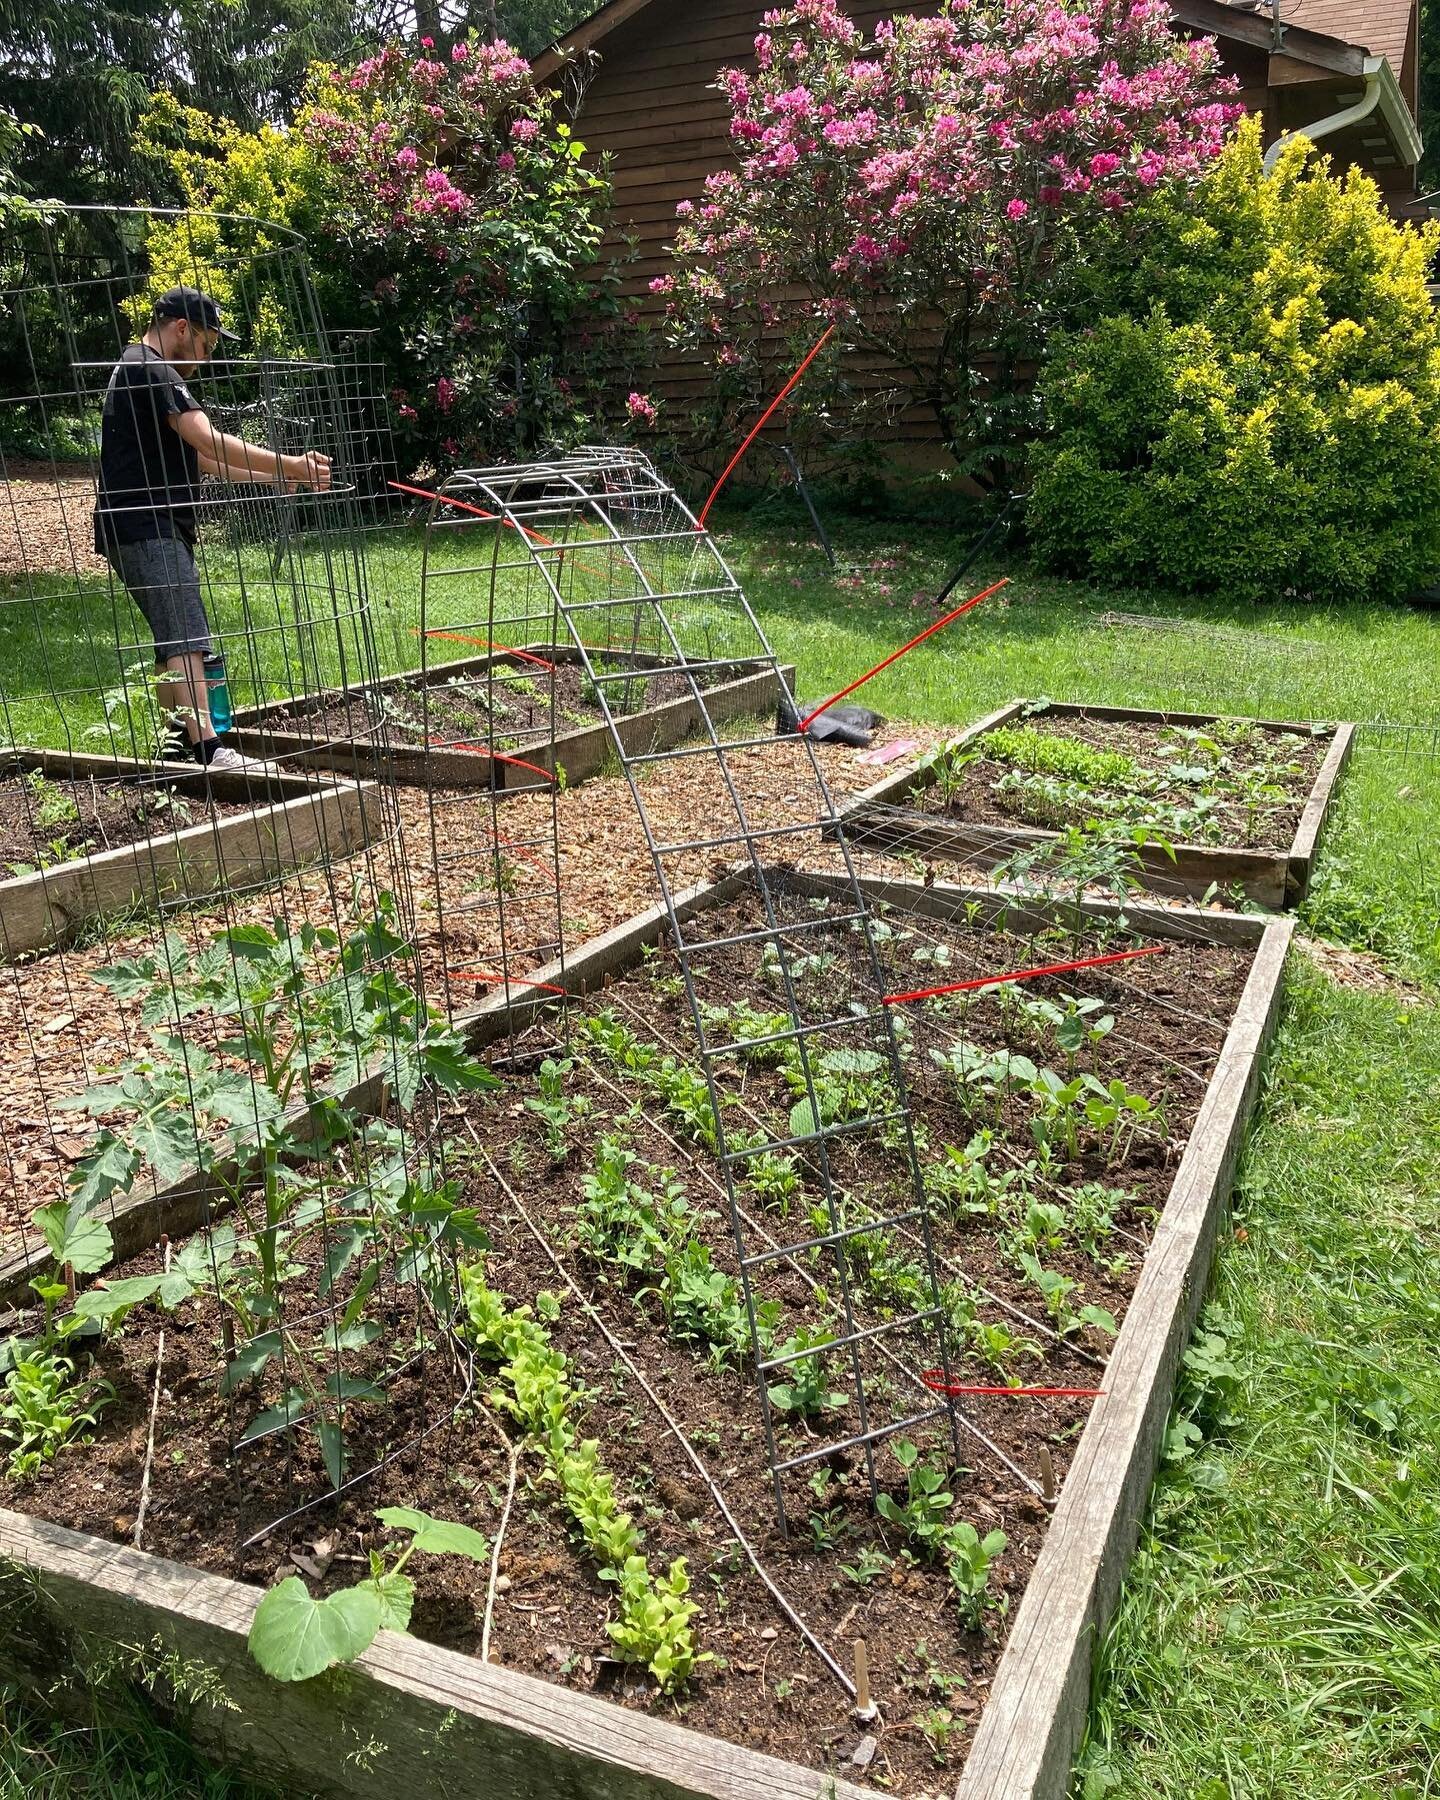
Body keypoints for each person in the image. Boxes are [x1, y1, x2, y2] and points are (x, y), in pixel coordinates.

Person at [93, 285, 333, 772]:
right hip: (146, 524)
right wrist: (292, 462)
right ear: (182, 328)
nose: (206, 358)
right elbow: (208, 437)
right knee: (186, 634)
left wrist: (278, 476)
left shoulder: (136, 367)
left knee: (172, 634)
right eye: (208, 343)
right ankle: (209, 749)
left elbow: (198, 459)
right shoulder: (152, 368)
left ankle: (176, 747)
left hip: (137, 525)